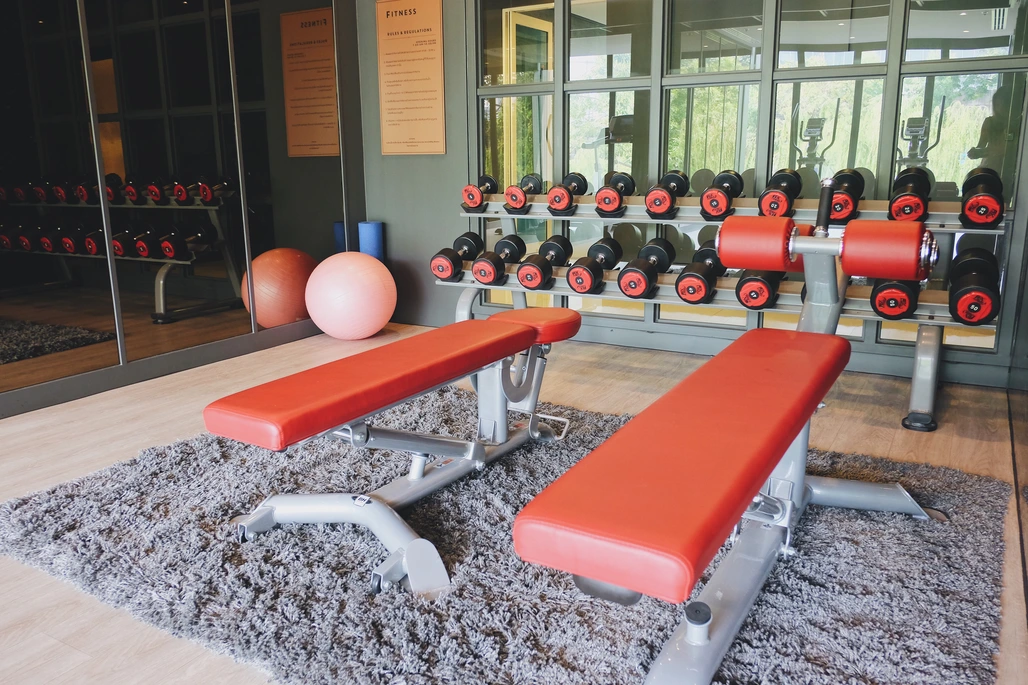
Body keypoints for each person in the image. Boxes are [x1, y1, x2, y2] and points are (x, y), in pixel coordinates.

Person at [967, 85, 1014, 172]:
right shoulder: (989, 122)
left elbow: (1007, 150)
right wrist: (974, 152)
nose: (1000, 107)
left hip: (1010, 168)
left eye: (1004, 104)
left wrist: (983, 152)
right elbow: (981, 146)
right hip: (989, 167)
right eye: (997, 104)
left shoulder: (1017, 123)